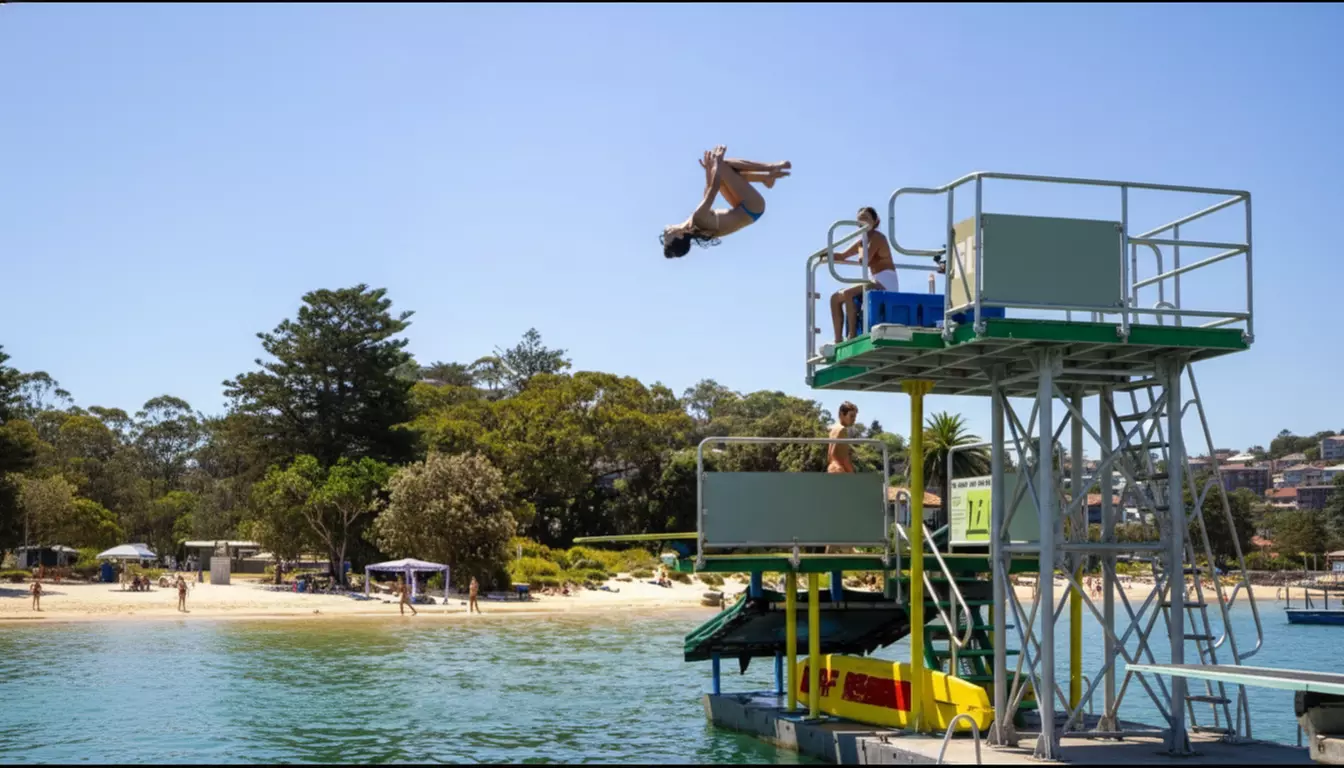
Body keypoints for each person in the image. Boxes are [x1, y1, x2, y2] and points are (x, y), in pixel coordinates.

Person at [661, 145, 791, 259]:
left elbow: (707, 195)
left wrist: (709, 170)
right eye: (667, 240)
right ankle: (771, 167)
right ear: (679, 236)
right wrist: (716, 163)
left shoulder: (692, 227)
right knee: (722, 165)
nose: (664, 236)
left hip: (745, 209)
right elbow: (713, 190)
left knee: (718, 169)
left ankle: (766, 178)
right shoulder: (696, 221)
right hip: (752, 206)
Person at [829, 207, 899, 343]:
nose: (862, 221)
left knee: (848, 293)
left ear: (875, 221)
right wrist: (825, 254)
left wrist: (861, 245)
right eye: (860, 219)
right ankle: (837, 340)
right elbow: (842, 255)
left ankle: (852, 335)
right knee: (835, 298)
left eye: (866, 218)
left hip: (885, 283)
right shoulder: (863, 240)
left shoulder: (878, 237)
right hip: (873, 281)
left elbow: (864, 260)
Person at [827, 402, 860, 474]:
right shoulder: (842, 430)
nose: (854, 419)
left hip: (832, 469)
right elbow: (844, 458)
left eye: (855, 417)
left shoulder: (833, 428)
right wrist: (852, 474)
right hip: (840, 470)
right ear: (841, 414)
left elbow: (830, 455)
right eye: (851, 416)